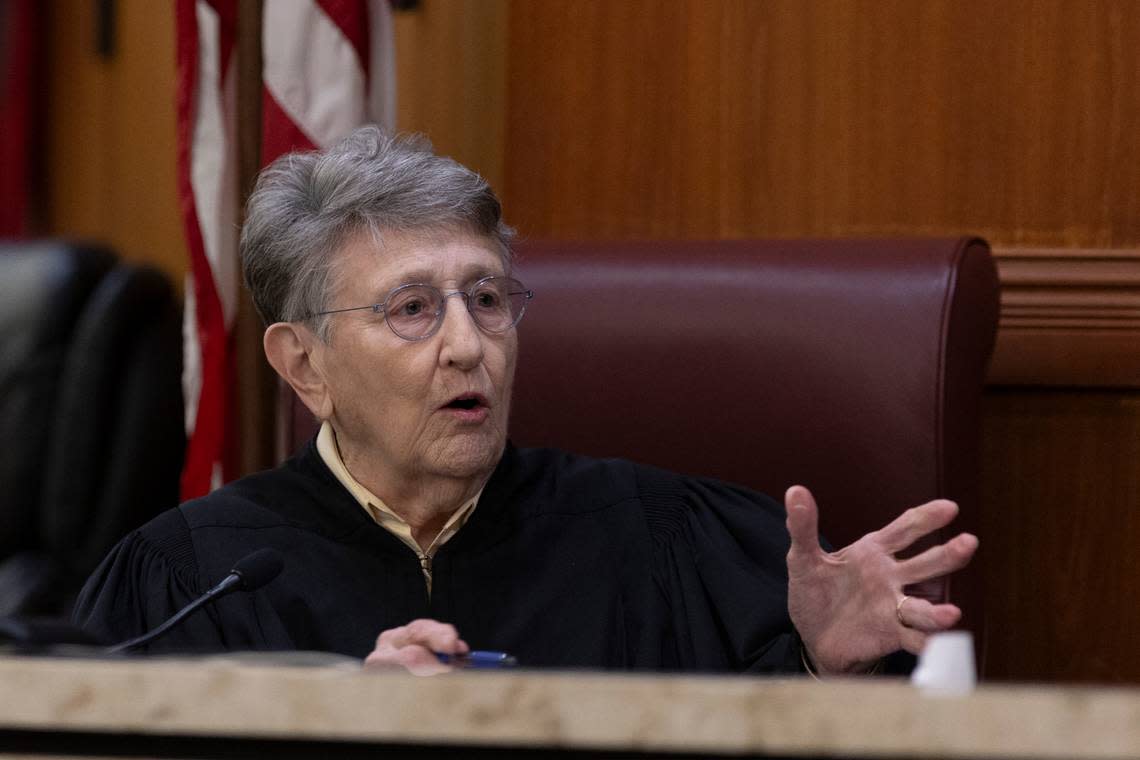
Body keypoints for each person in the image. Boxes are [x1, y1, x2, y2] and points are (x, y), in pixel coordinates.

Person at [74, 126, 977, 676]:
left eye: (489, 299)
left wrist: (823, 659)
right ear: (304, 364)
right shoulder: (192, 581)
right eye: (413, 309)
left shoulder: (662, 541)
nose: (469, 345)